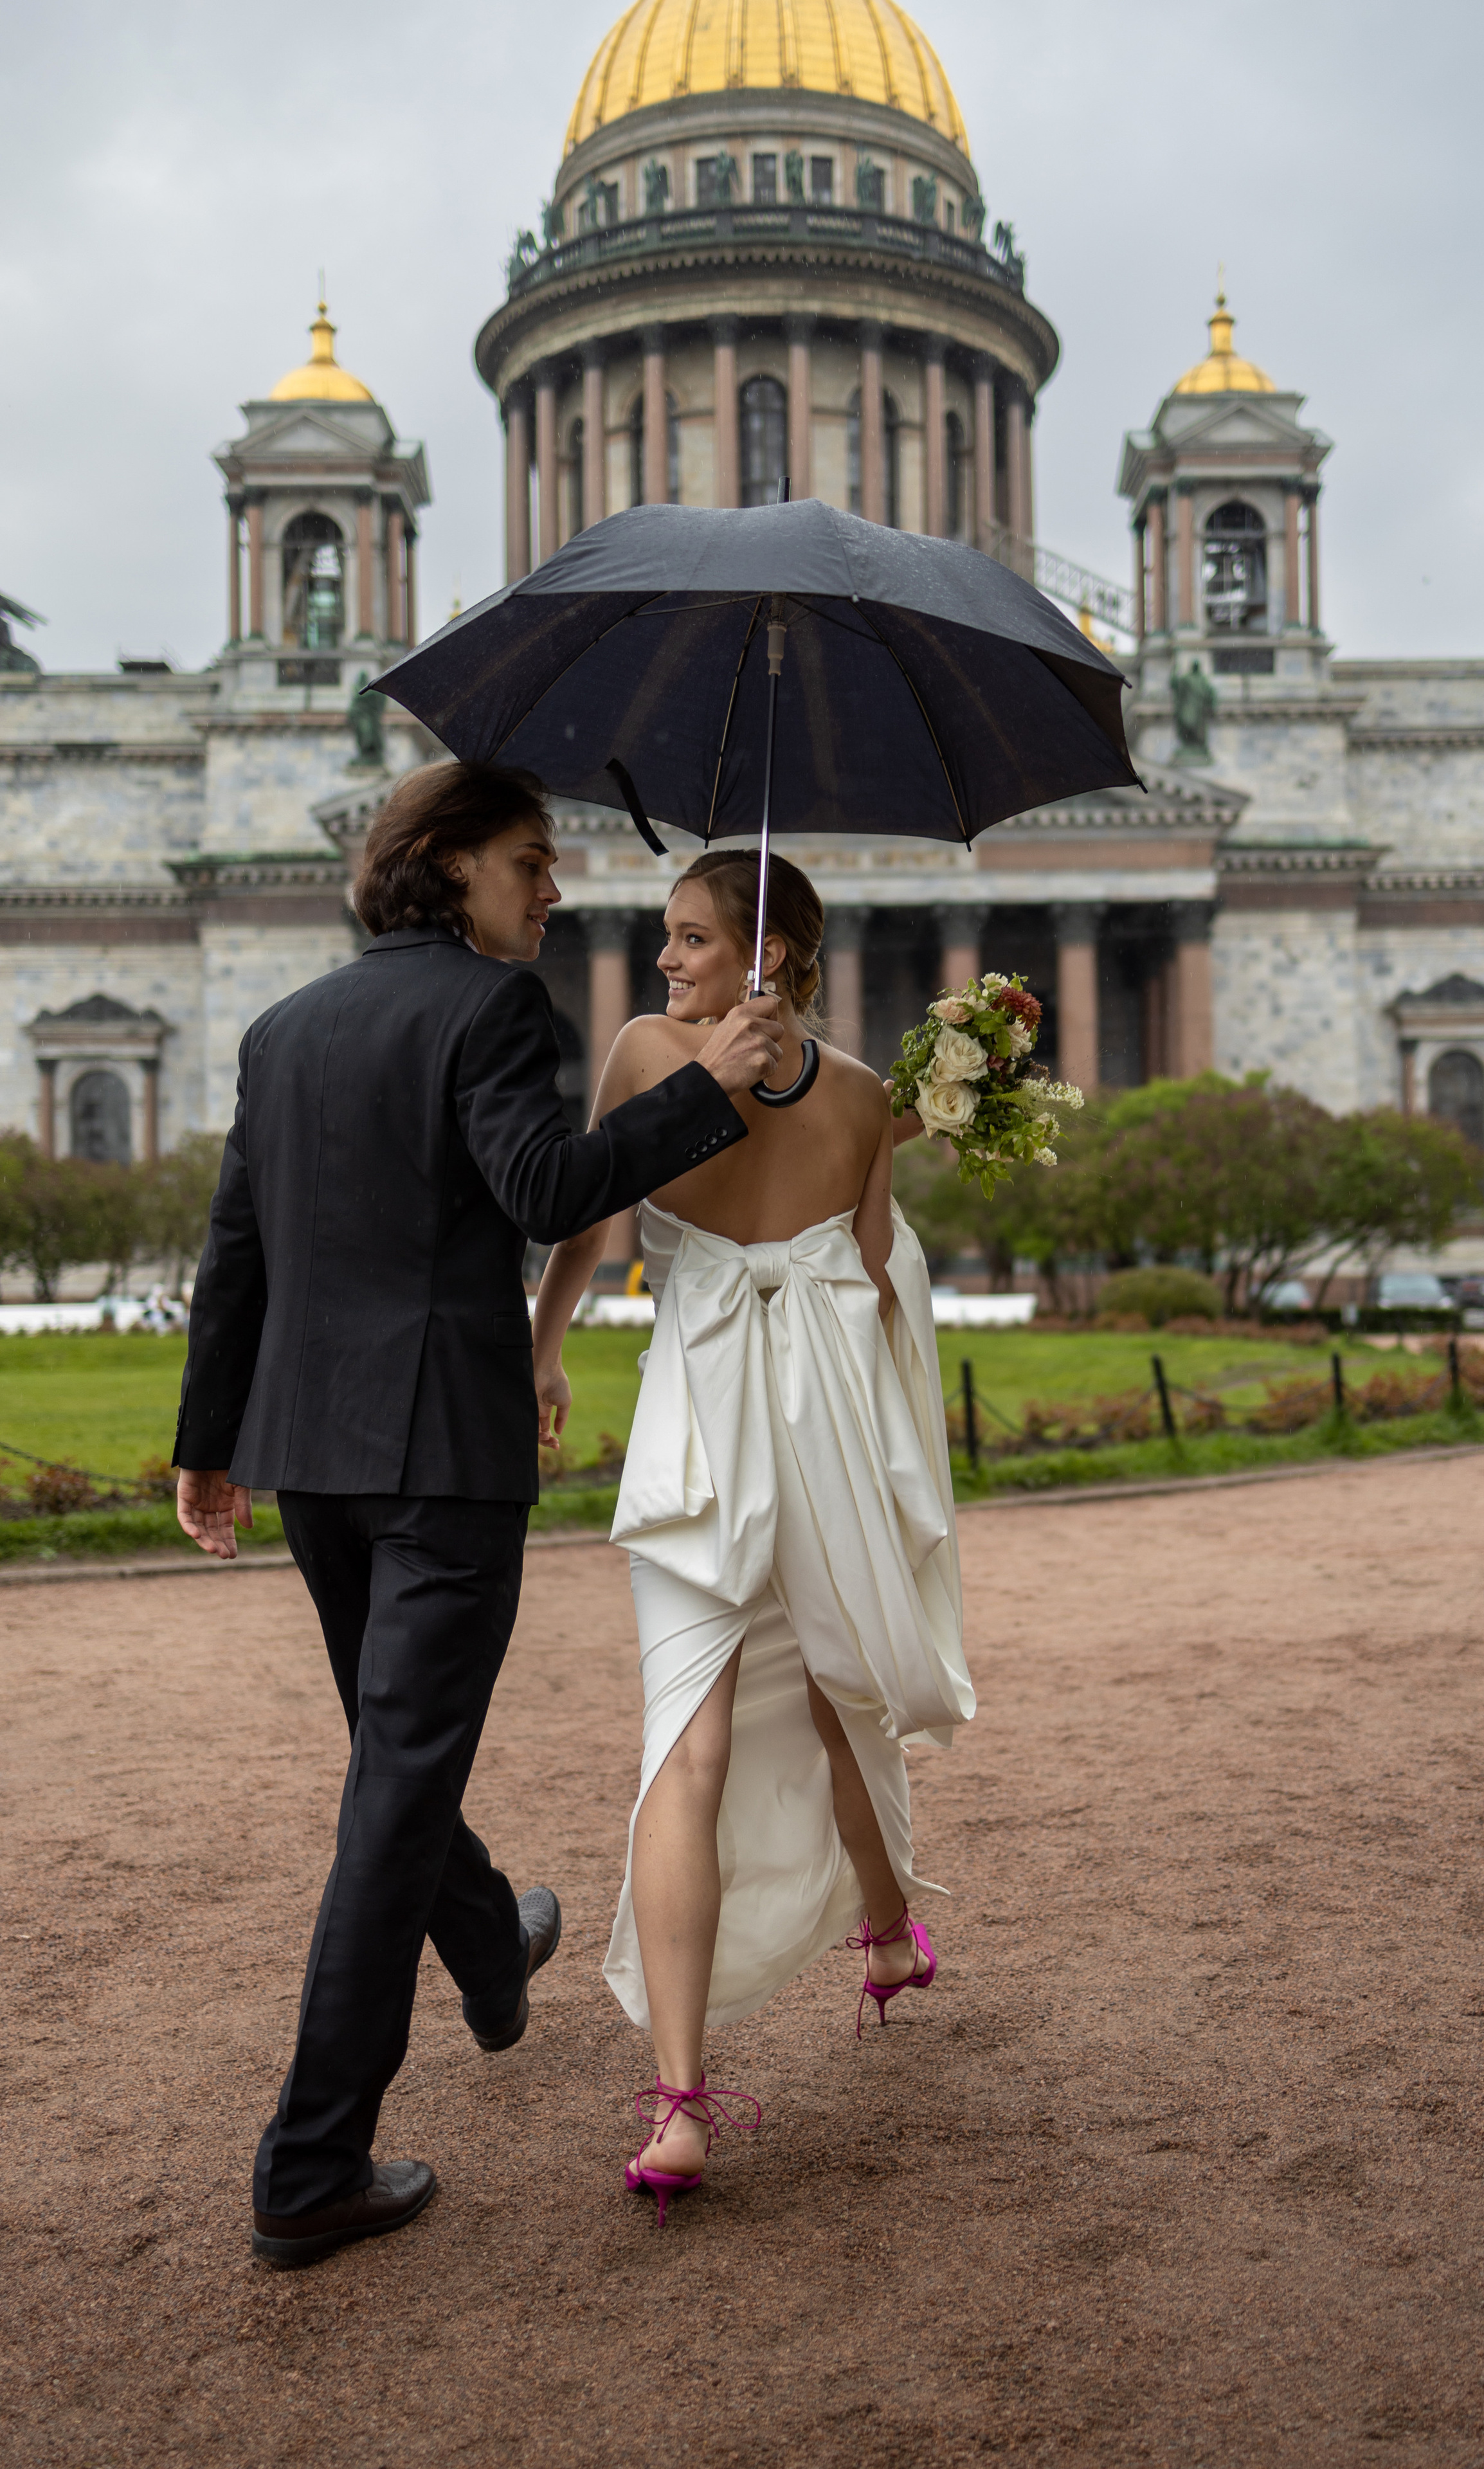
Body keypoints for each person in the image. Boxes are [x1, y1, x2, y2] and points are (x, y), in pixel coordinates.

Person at [171, 762, 786, 2269]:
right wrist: (711, 1087)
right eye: (531, 860)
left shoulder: (285, 1026)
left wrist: (209, 1442)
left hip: (309, 1451)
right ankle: (312, 2164)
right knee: (392, 1791)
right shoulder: (492, 1009)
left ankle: (492, 1940)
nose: (555, 886)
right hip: (441, 1457)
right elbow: (540, 1186)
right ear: (447, 864)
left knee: (397, 1762)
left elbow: (236, 1245)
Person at [531, 849, 975, 2227]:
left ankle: (690, 2097)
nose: (665, 962)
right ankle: (854, 1968)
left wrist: (541, 1351)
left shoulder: (669, 1066)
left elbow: (592, 1230)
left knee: (740, 1727)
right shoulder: (850, 1099)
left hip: (716, 1435)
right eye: (667, 942)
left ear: (767, 956)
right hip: (811, 1435)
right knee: (789, 1719)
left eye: (691, 940)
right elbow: (879, 1284)